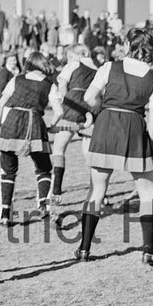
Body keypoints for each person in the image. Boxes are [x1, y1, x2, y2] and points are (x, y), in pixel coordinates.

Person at [75, 28, 153, 265]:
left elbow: (88, 97)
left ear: (128, 45)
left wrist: (102, 107)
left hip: (106, 125)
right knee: (147, 191)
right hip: (135, 128)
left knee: (97, 189)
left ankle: (84, 249)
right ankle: (148, 250)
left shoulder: (108, 67)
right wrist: (150, 146)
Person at [0, 51, 62, 225]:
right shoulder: (49, 84)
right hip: (35, 124)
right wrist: (52, 125)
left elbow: (0, 103)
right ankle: (43, 206)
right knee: (44, 168)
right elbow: (59, 111)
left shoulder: (17, 79)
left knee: (8, 170)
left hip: (12, 123)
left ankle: (5, 214)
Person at [50, 44, 100, 202]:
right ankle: (98, 191)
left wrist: (66, 100)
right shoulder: (98, 68)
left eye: (70, 56)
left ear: (80, 54)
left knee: (59, 149)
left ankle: (56, 190)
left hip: (72, 107)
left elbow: (62, 83)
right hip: (91, 109)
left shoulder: (74, 65)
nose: (68, 59)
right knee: (89, 155)